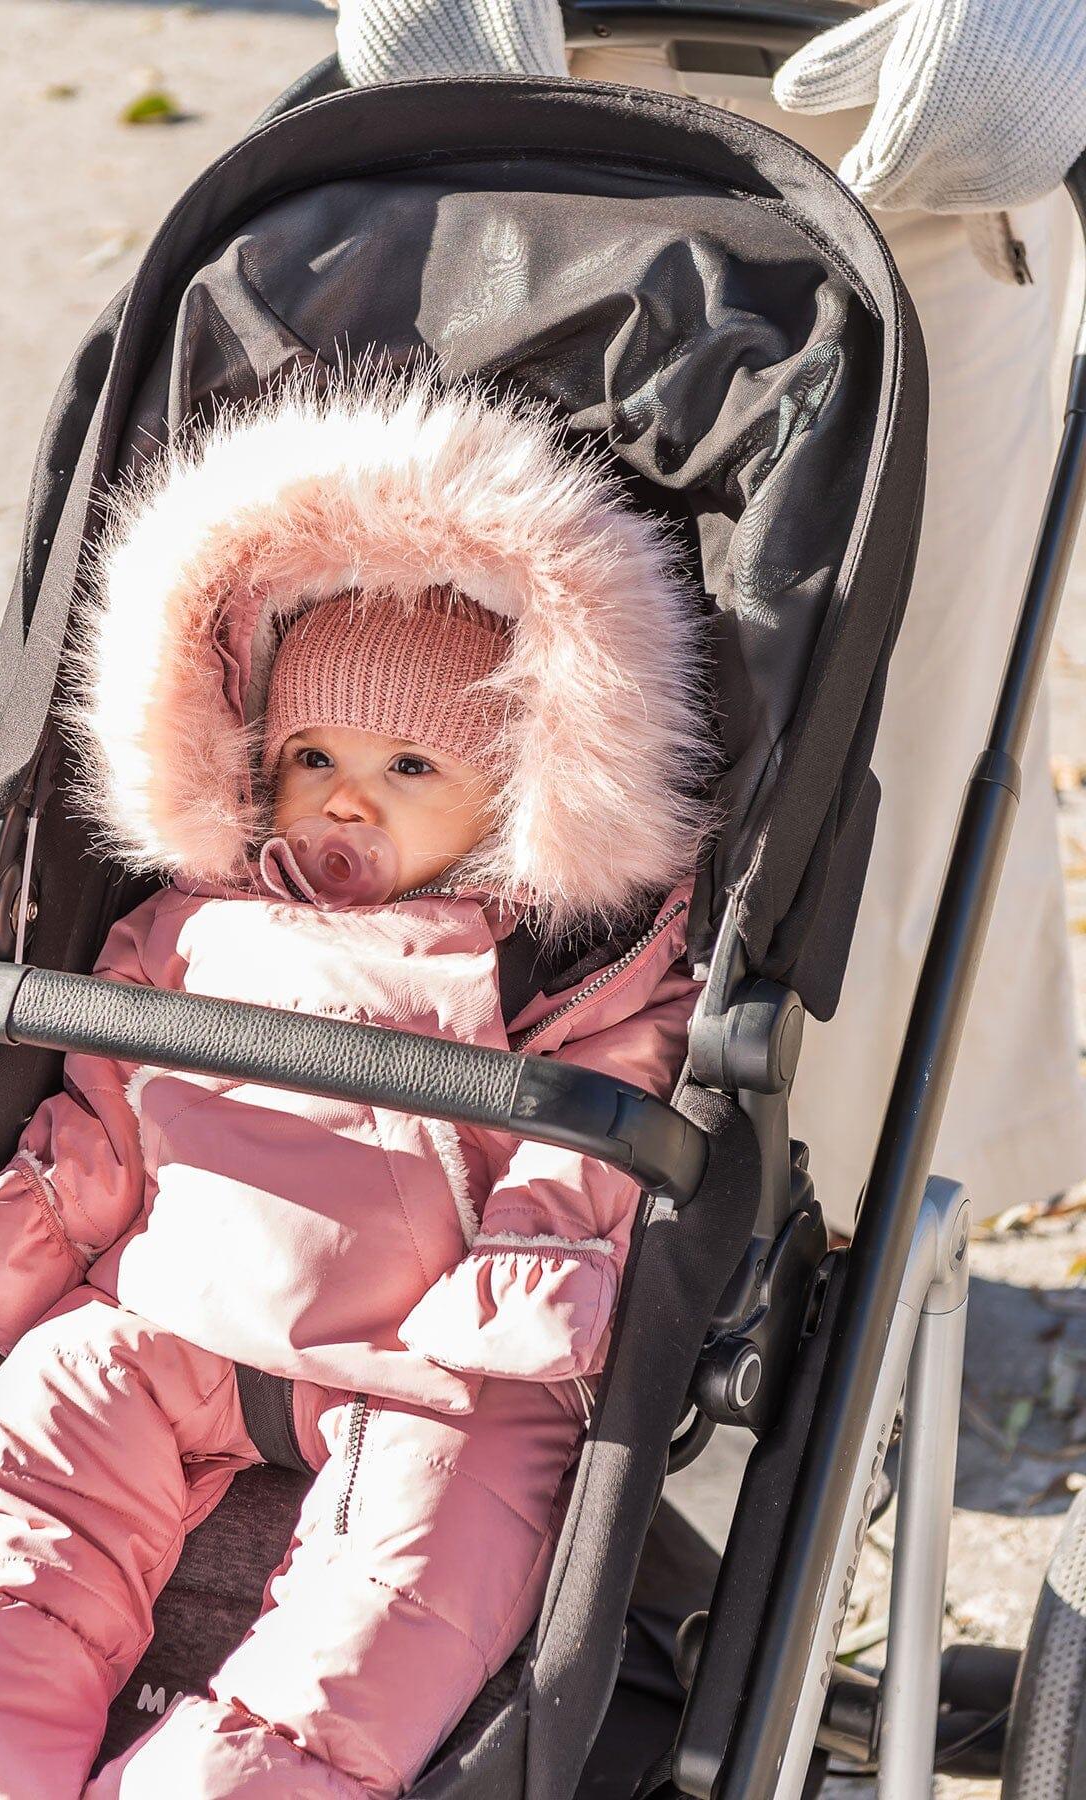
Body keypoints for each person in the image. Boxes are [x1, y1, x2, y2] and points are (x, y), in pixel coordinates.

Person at [0, 373, 715, 1799]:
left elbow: (608, 1104)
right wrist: (56, 1202)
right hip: (173, 1317)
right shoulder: (197, 919)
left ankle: (262, 1762)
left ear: (518, 790)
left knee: (419, 1559)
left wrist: (531, 1261)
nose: (346, 796)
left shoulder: (556, 967)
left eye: (409, 766)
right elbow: (111, 1078)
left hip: (424, 1365)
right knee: (48, 1423)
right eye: (312, 758)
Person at [328, 0, 1086, 1238]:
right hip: (528, 129)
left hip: (921, 145)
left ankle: (805, 1292)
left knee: (871, 784)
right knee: (466, 714)